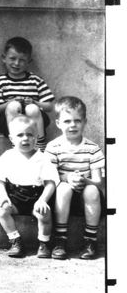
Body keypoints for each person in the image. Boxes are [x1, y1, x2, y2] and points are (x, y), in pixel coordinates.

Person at [45, 96, 105, 260]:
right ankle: (60, 239)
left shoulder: (92, 148)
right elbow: (49, 177)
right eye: (67, 121)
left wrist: (84, 180)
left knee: (92, 190)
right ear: (58, 123)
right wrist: (66, 177)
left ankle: (90, 240)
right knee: (63, 188)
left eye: (77, 121)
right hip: (61, 199)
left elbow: (99, 182)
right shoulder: (53, 147)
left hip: (87, 199)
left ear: (85, 122)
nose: (72, 125)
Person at [0, 115, 58, 258]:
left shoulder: (43, 158)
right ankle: (15, 241)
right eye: (20, 135)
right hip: (14, 197)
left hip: (37, 197)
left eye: (30, 134)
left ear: (36, 137)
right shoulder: (8, 156)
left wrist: (43, 200)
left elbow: (51, 182)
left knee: (44, 213)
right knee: (2, 211)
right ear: (12, 138)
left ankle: (44, 243)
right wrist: (3, 196)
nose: (25, 138)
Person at [0, 36, 55, 150]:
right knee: (13, 106)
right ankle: (15, 142)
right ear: (4, 58)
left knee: (32, 108)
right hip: (8, 119)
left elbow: (49, 106)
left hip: (33, 119)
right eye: (12, 58)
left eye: (22, 60)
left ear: (29, 62)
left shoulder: (35, 80)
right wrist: (10, 102)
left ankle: (40, 144)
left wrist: (35, 102)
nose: (17, 63)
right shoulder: (0, 81)